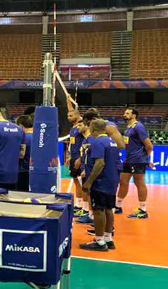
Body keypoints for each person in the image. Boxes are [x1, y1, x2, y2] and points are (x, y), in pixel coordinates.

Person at [80, 119, 119, 252]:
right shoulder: (112, 141)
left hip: (100, 182)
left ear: (93, 128)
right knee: (109, 209)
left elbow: (100, 163)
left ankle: (99, 241)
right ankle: (108, 239)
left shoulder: (97, 142)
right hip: (111, 180)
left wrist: (89, 181)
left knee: (98, 210)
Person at [117, 108, 154, 218]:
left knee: (139, 183)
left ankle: (142, 209)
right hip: (129, 159)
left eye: (127, 113)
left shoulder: (139, 126)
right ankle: (117, 206)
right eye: (124, 113)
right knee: (123, 181)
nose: (125, 114)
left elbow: (149, 145)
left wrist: (144, 158)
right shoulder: (129, 128)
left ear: (134, 115)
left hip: (137, 160)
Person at [66, 106, 86, 217]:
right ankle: (78, 206)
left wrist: (80, 158)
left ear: (78, 116)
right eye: (68, 116)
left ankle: (85, 207)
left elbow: (86, 142)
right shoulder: (73, 128)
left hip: (80, 158)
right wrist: (69, 156)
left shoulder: (80, 127)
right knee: (76, 181)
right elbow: (72, 143)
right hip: (73, 157)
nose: (69, 117)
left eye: (71, 115)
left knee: (83, 183)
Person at [15, 115, 33, 192]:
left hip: (23, 171)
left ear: (20, 126)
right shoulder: (40, 136)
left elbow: (20, 155)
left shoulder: (23, 138)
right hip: (37, 171)